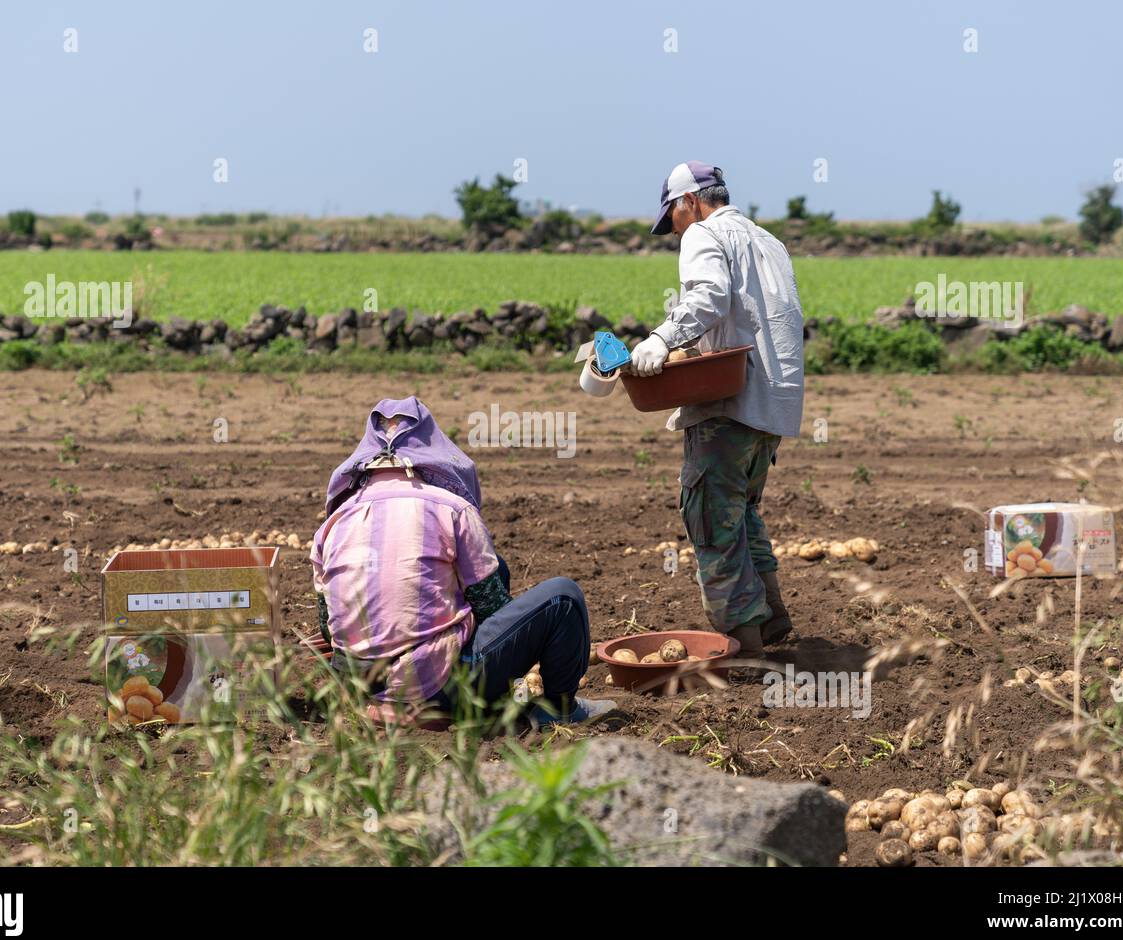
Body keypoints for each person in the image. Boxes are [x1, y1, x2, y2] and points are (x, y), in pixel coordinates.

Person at [310, 396, 614, 726]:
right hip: (438, 688)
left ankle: (385, 705)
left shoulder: (332, 526)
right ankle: (560, 710)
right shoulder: (451, 509)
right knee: (562, 597)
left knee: (492, 567)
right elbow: (493, 609)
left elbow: (328, 627)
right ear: (430, 453)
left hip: (359, 686)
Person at [630, 162, 805, 655]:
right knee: (742, 513)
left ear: (690, 201)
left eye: (675, 218)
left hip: (729, 404)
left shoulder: (704, 234)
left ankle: (744, 646)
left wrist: (662, 339)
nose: (676, 231)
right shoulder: (769, 241)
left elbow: (708, 297)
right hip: (773, 404)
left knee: (710, 518)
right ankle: (770, 617)